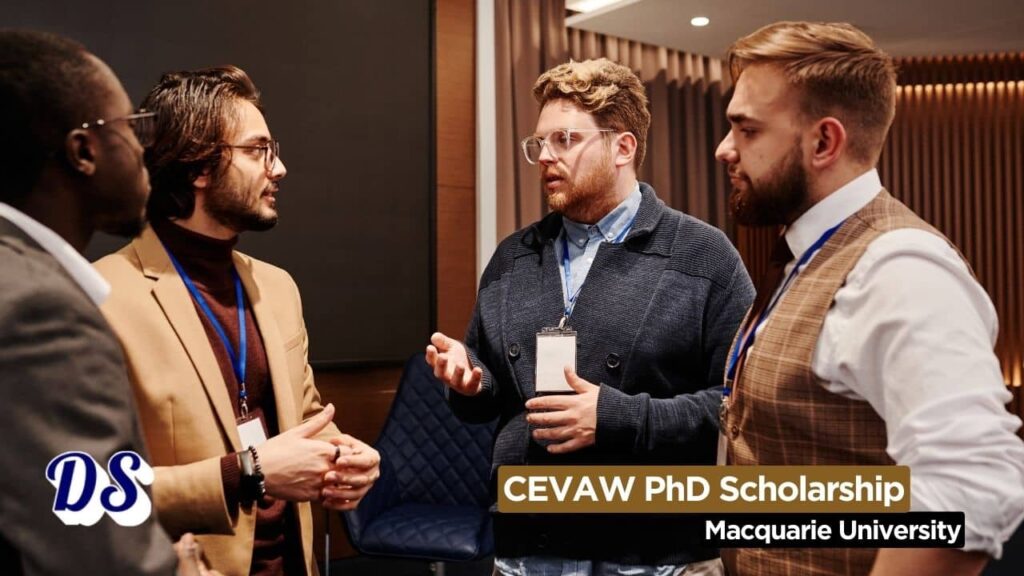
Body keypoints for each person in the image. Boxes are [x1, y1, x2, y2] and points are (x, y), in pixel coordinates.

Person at [715, 21, 1024, 575]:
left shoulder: (898, 266)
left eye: (747, 130)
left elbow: (971, 484)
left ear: (824, 142)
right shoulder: (803, 251)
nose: (724, 149)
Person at [427, 58, 754, 575]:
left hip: (655, 556)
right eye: (539, 143)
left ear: (622, 148)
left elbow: (741, 405)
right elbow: (491, 394)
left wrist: (618, 418)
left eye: (565, 140)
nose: (545, 157)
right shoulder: (513, 257)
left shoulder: (704, 256)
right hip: (526, 549)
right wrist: (471, 382)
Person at [94, 66, 380, 576]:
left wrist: (342, 455)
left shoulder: (277, 287)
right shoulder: (100, 296)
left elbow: (306, 415)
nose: (279, 168)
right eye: (257, 150)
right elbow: (86, 489)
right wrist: (246, 473)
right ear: (198, 166)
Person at [0, 29, 222, 575]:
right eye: (131, 128)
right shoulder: (40, 313)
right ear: (83, 151)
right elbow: (101, 555)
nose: (145, 150)